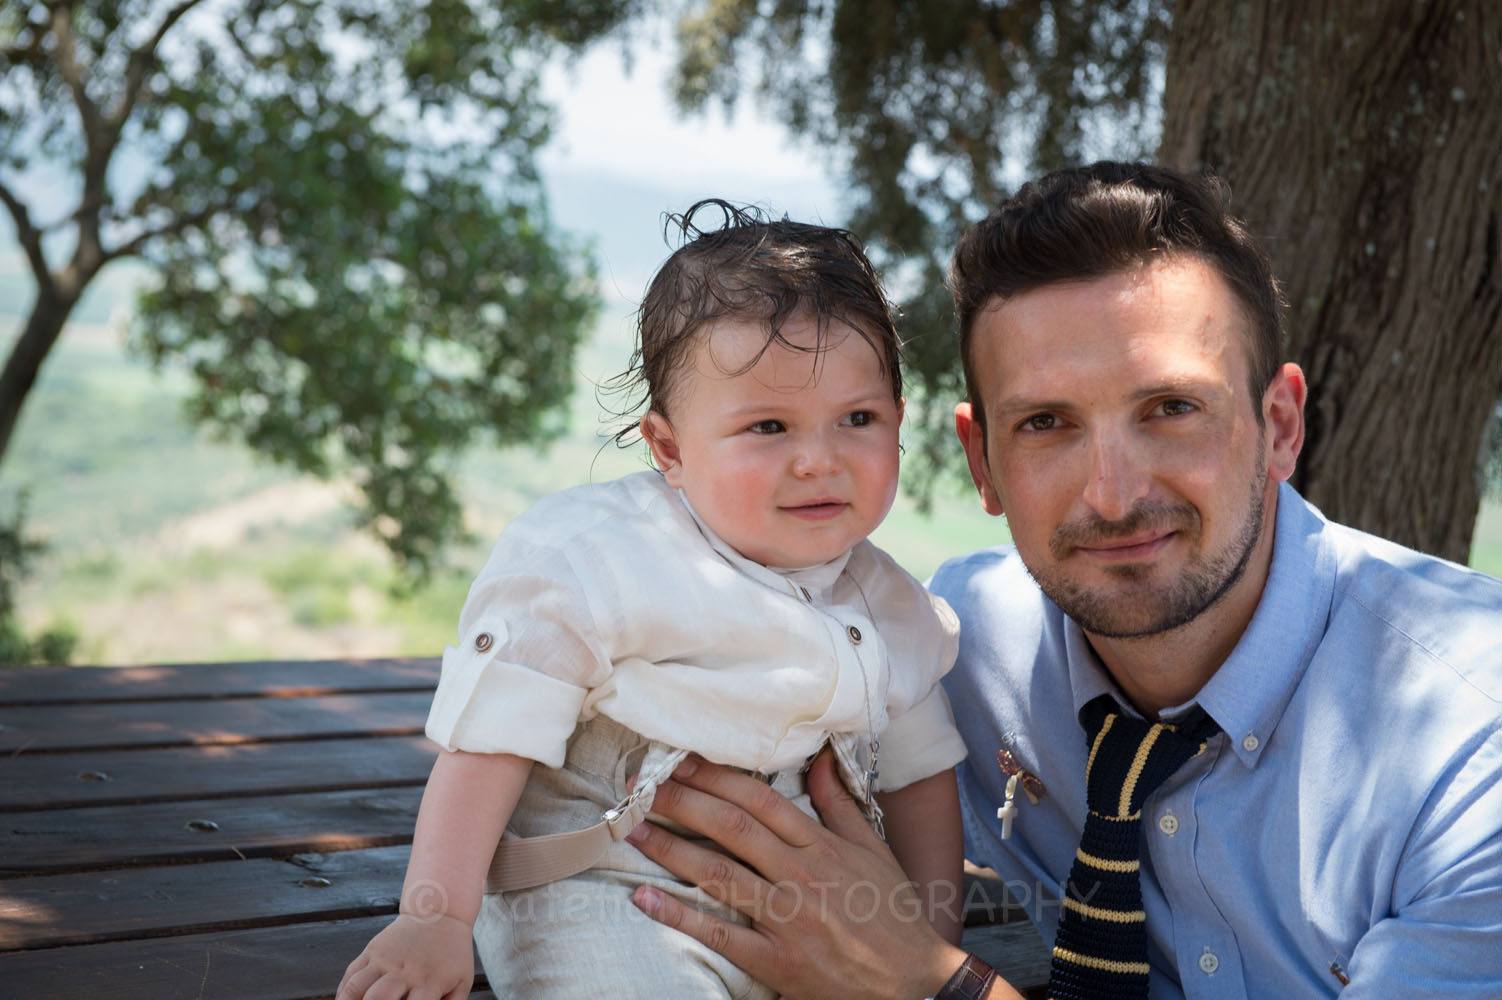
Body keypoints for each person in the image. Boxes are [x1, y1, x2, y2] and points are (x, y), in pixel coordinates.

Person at [624, 162, 1502, 999]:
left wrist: (928, 981)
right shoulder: (949, 654)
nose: (1112, 495)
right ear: (983, 462)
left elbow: (905, 971)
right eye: (1046, 423)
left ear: (1279, 425)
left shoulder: (1468, 749)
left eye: (1171, 408)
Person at [336, 200, 970, 1000]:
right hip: (602, 890)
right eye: (769, 427)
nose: (820, 459)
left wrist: (926, 949)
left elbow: (919, 780)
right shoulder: (600, 559)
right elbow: (489, 743)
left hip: (810, 910)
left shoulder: (895, 608)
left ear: (899, 423)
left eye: (858, 418)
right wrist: (435, 918)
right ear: (670, 448)